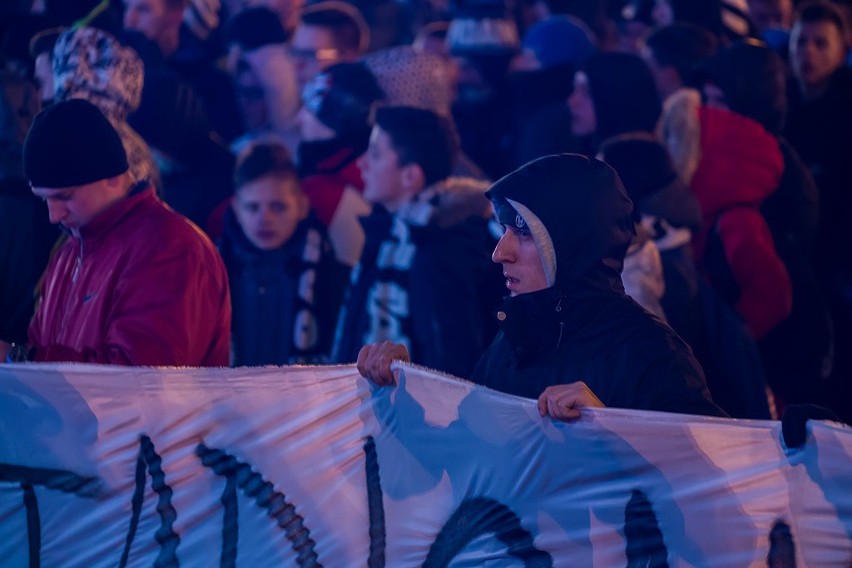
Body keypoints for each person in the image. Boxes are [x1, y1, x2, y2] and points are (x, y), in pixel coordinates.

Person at [358, 154, 726, 421]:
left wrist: (614, 427)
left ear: (574, 244)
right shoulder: (513, 342)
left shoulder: (651, 353)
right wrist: (401, 390)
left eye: (524, 233)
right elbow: (466, 458)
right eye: (504, 231)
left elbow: (708, 481)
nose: (501, 253)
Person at [2, 98, 231, 366]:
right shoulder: (68, 253)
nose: (54, 216)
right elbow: (43, 349)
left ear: (111, 176)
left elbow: (143, 379)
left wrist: (15, 357)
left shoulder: (170, 247)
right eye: (45, 200)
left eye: (64, 197)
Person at [334, 106, 503, 380]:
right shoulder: (392, 234)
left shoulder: (440, 249)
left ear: (410, 176)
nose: (361, 163)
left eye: (375, 154)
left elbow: (448, 370)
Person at [218, 141, 347, 366]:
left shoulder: (331, 274)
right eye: (252, 207)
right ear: (236, 210)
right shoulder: (214, 271)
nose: (264, 218)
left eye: (278, 207)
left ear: (301, 206)